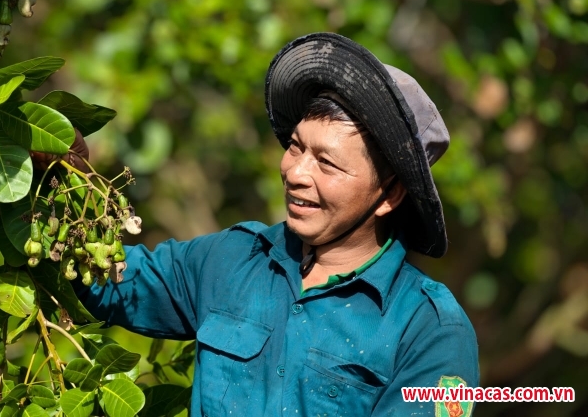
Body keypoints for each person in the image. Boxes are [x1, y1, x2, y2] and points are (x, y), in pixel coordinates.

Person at [72, 33, 479, 416]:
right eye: (295, 146)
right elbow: (99, 279)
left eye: (327, 162)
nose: (295, 172)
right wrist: (59, 182)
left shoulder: (432, 331)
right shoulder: (231, 260)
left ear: (389, 195)